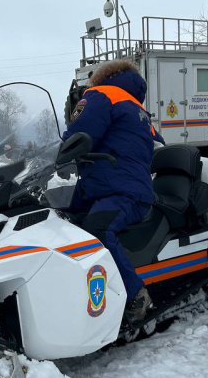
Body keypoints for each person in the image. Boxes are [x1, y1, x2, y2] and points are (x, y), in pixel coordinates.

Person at [63, 59, 163, 323]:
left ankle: (135, 295)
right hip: (121, 189)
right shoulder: (136, 107)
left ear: (100, 77)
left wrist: (57, 152)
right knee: (61, 224)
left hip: (118, 192)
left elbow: (77, 132)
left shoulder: (100, 95)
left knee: (96, 230)